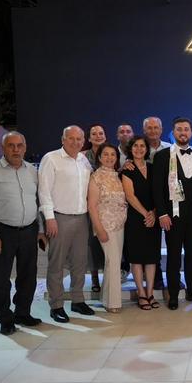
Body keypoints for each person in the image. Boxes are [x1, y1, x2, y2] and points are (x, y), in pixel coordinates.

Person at [0, 131, 45, 334]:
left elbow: (38, 202)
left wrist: (40, 230)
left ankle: (22, 313)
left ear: (25, 147)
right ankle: (5, 319)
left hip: (29, 230)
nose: (16, 150)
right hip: (2, 232)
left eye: (19, 145)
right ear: (3, 148)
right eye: (11, 145)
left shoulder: (32, 171)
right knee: (0, 278)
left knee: (28, 276)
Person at [39, 125, 95, 323]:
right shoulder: (51, 158)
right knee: (57, 264)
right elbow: (44, 190)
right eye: (71, 138)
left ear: (83, 141)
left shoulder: (84, 160)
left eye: (79, 139)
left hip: (82, 218)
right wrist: (49, 218)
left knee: (79, 262)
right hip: (59, 217)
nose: (75, 142)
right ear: (63, 139)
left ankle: (78, 300)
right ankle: (56, 305)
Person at [154, 118, 192, 310]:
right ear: (173, 132)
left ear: (191, 132)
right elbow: (157, 188)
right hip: (172, 215)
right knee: (173, 255)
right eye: (179, 129)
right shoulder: (162, 156)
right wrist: (162, 214)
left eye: (186, 129)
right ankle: (173, 294)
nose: (183, 132)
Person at [88, 143, 127, 313]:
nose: (109, 158)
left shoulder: (117, 175)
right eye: (106, 154)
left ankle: (106, 298)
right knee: (113, 262)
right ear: (99, 157)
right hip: (105, 225)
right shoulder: (96, 177)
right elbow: (92, 206)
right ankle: (113, 303)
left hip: (120, 225)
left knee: (113, 263)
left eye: (113, 155)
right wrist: (99, 229)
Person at [121, 136, 159, 310]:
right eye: (135, 146)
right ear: (131, 149)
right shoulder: (127, 170)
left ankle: (150, 293)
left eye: (142, 146)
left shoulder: (153, 168)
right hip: (136, 218)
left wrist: (154, 213)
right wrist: (146, 214)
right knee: (136, 258)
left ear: (147, 149)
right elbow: (130, 196)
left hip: (153, 217)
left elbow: (160, 193)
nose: (139, 149)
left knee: (151, 258)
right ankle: (141, 293)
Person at [143, 116, 171, 290]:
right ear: (144, 130)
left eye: (156, 128)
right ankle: (156, 277)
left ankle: (172, 277)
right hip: (146, 201)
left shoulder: (170, 148)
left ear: (161, 130)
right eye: (149, 128)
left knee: (171, 241)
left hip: (166, 200)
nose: (153, 131)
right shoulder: (139, 148)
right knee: (151, 243)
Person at [82, 124, 107, 293]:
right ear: (89, 138)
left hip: (108, 205)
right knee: (92, 242)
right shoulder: (83, 157)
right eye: (94, 134)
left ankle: (109, 276)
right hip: (89, 203)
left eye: (101, 133)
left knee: (108, 241)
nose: (98, 136)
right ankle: (94, 278)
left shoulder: (110, 153)